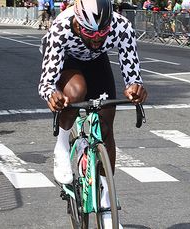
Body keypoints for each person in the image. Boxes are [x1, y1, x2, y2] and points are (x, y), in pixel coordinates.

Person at [38, 0, 147, 227]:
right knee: (76, 92)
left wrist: (135, 88)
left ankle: (106, 198)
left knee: (106, 129)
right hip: (67, 61)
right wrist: (53, 95)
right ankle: (62, 145)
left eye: (103, 32)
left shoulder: (121, 26)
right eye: (89, 32)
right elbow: (47, 83)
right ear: (77, 24)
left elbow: (132, 71)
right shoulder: (61, 28)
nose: (97, 38)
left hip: (97, 63)